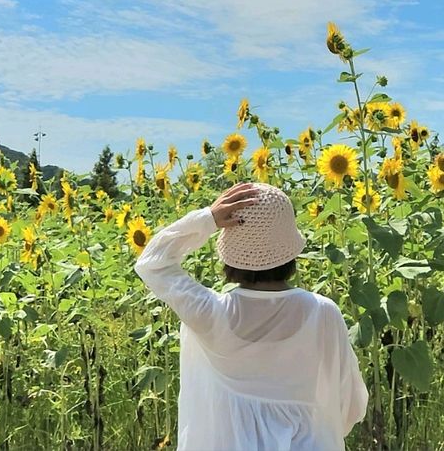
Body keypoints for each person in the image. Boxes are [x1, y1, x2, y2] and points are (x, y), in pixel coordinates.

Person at [134, 180, 369, 451]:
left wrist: (208, 219)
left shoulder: (211, 315)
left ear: (230, 255)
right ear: (290, 251)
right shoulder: (323, 313)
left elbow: (152, 263)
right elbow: (349, 404)